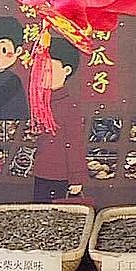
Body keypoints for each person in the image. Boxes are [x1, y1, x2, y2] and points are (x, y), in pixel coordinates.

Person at [32, 36, 87, 201]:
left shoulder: (70, 107)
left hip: (60, 174)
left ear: (67, 70)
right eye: (39, 70)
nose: (42, 75)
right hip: (41, 171)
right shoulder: (40, 101)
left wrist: (76, 178)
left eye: (48, 70)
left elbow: (74, 144)